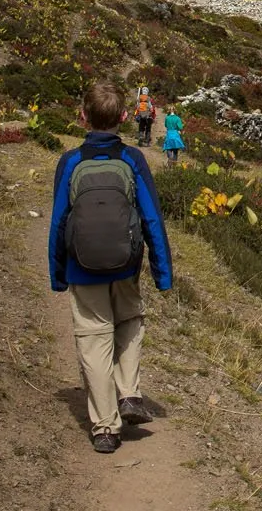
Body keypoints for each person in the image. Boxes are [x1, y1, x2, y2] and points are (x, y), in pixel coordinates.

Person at [49, 80, 173, 454]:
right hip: (125, 265)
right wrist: (162, 271)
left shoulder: (70, 161)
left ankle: (105, 428)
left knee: (93, 339)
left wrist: (58, 273)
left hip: (81, 269)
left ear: (82, 116)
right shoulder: (132, 159)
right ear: (124, 117)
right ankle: (130, 393)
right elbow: (151, 217)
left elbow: (58, 221)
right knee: (130, 320)